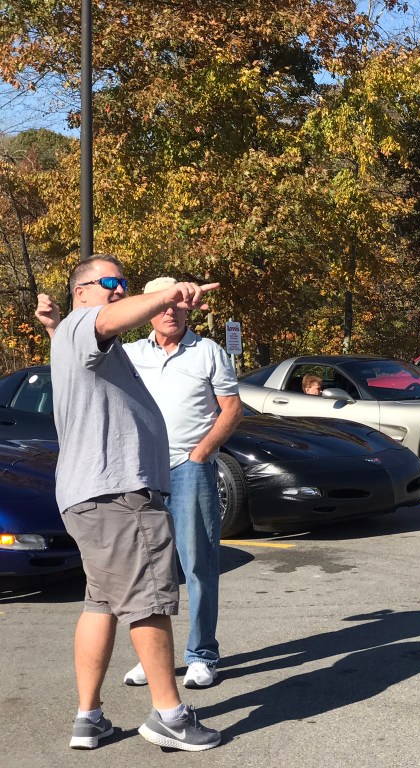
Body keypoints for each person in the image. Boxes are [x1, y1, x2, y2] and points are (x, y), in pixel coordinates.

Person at [38, 254, 220, 751]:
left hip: (94, 497)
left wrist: (54, 324)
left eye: (124, 282)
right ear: (81, 291)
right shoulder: (85, 324)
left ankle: (88, 717)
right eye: (109, 282)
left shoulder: (78, 337)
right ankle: (170, 716)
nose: (120, 289)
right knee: (149, 601)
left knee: (100, 605)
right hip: (117, 494)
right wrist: (169, 294)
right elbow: (105, 319)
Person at [119, 277, 243, 689]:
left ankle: (202, 654)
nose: (169, 311)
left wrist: (201, 453)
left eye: (177, 304)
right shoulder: (131, 354)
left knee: (198, 565)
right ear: (148, 310)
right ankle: (153, 657)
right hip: (143, 473)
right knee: (148, 571)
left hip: (190, 469)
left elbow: (232, 409)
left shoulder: (209, 352)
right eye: (161, 304)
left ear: (188, 309)